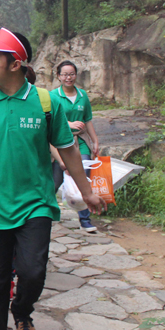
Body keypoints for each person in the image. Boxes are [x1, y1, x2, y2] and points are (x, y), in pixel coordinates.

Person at [0, 28, 106, 330]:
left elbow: (68, 150)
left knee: (32, 272)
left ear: (15, 64)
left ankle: (22, 311)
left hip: (36, 203)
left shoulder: (46, 103)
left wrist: (86, 192)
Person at [50, 60, 100, 233]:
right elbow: (51, 121)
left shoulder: (82, 95)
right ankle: (47, 212)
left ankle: (85, 220)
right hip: (60, 144)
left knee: (83, 179)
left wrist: (95, 141)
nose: (68, 78)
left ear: (76, 75)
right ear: (58, 76)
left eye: (71, 74)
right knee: (55, 181)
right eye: (64, 74)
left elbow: (88, 120)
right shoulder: (53, 96)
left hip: (81, 143)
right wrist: (69, 124)